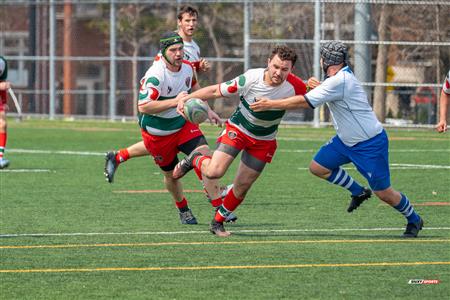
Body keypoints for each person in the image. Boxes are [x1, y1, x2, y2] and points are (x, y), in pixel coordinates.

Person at [249, 41, 424, 238]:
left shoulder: (339, 81)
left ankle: (414, 219)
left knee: (384, 193)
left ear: (326, 61)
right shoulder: (339, 78)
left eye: (322, 58)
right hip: (345, 141)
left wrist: (270, 104)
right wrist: (320, 85)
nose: (320, 61)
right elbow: (331, 90)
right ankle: (358, 191)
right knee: (318, 167)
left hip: (369, 144)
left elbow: (305, 102)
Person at [173, 45, 308, 236]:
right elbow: (214, 91)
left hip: (264, 141)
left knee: (242, 187)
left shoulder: (294, 85)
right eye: (275, 66)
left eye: (284, 69)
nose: (278, 73)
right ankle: (194, 159)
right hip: (238, 130)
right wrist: (187, 98)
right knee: (214, 171)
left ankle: (217, 222)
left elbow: (309, 99)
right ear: (268, 62)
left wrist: (316, 87)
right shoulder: (251, 78)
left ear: (291, 70)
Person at [132, 31, 235, 225]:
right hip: (158, 133)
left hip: (183, 125)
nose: (178, 53)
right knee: (172, 176)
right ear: (163, 52)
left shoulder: (187, 67)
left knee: (206, 155)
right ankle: (183, 209)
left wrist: (208, 110)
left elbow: (195, 91)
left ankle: (220, 208)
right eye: (173, 50)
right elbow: (143, 106)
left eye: (180, 49)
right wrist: (175, 102)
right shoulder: (156, 75)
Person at [104, 5, 210, 183]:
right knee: (168, 144)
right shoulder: (169, 48)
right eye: (187, 20)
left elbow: (190, 75)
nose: (191, 24)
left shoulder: (194, 47)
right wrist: (174, 98)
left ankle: (118, 156)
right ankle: (212, 191)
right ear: (179, 23)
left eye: (194, 20)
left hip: (182, 106)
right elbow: (163, 70)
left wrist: (198, 69)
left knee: (191, 146)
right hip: (163, 106)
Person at [0, 56, 11, 169]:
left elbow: (2, 81)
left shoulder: (2, 62)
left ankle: (0, 158)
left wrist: (4, 102)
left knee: (3, 123)